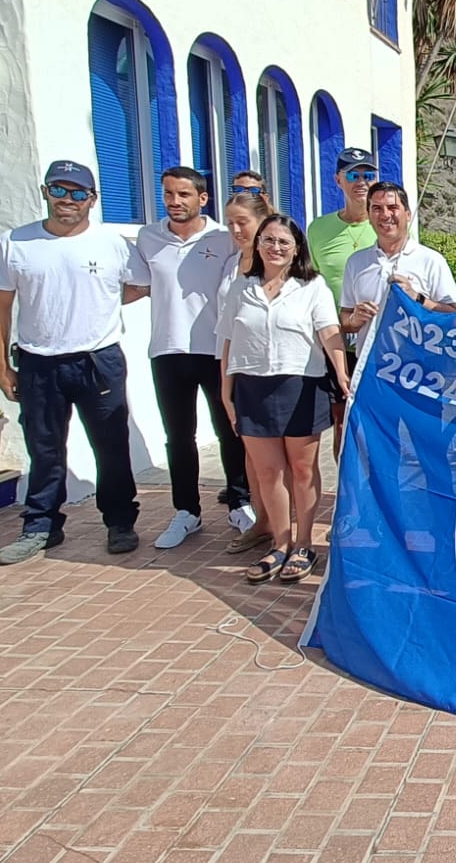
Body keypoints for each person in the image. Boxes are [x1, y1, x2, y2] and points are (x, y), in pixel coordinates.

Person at [0, 160, 147, 565]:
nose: (67, 200)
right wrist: (2, 369)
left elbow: (140, 285)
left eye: (77, 193)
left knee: (111, 446)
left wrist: (101, 301)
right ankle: (40, 526)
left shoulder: (112, 244)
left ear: (92, 199)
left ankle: (120, 522)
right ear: (45, 192)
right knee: (44, 449)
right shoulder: (14, 243)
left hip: (98, 361)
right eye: (58, 190)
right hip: (39, 363)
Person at [219, 214, 350, 585]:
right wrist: (226, 392)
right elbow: (227, 341)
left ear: (296, 250)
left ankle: (304, 544)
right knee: (268, 472)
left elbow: (330, 333)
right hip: (251, 387)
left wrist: (342, 374)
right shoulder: (240, 287)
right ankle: (280, 543)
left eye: (283, 242)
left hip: (300, 386)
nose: (275, 247)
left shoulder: (312, 286)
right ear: (258, 244)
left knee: (303, 470)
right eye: (269, 240)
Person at [128, 166, 252, 551]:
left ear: (203, 198)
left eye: (184, 194)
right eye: (169, 194)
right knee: (179, 437)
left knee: (229, 431)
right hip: (167, 350)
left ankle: (239, 503)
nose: (175, 201)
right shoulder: (148, 238)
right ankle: (187, 511)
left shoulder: (223, 237)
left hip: (215, 350)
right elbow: (136, 287)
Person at [306, 147, 380, 449]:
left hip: (377, 340)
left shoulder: (387, 223)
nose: (361, 182)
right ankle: (343, 480)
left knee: (376, 422)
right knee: (341, 422)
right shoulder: (318, 229)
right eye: (353, 175)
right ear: (338, 180)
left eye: (368, 175)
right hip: (336, 339)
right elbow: (309, 282)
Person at [340, 182, 456, 363]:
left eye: (393, 208)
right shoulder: (356, 262)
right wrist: (354, 320)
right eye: (377, 209)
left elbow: (453, 317)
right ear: (369, 216)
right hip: (371, 368)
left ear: (408, 214)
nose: (385, 215)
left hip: (419, 368)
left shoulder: (432, 260)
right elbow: (345, 318)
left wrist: (417, 298)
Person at [217, 190, 275, 555]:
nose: (237, 230)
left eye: (243, 222)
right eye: (231, 224)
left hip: (272, 372)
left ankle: (287, 530)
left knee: (278, 459)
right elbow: (227, 330)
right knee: (250, 454)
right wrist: (225, 386)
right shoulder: (230, 264)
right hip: (236, 369)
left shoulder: (278, 262)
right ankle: (262, 521)